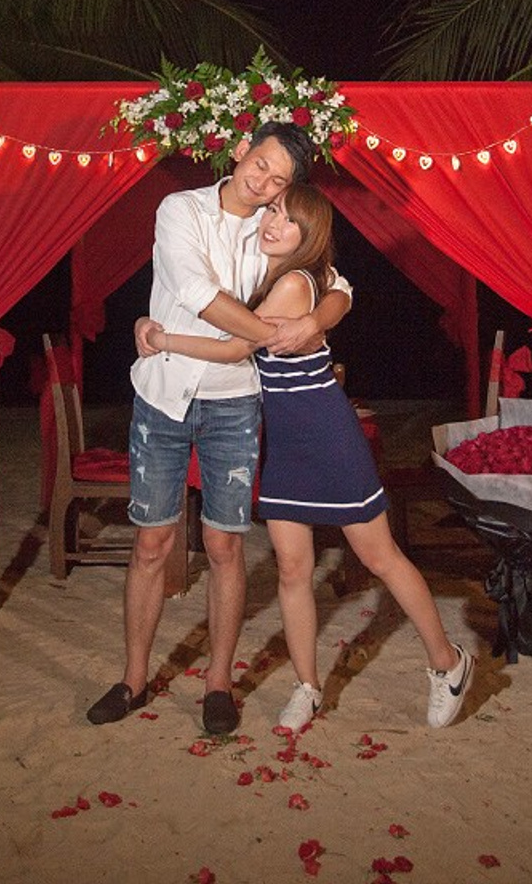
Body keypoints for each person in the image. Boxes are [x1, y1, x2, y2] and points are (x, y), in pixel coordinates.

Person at [137, 182, 475, 732]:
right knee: (293, 570)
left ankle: (447, 663)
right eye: (271, 209)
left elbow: (234, 348)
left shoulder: (292, 284)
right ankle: (307, 687)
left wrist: (161, 339)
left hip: (325, 433)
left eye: (287, 219)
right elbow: (339, 289)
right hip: (285, 443)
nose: (272, 221)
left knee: (380, 556)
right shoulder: (281, 272)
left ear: (308, 236)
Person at [86, 123, 352, 734]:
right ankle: (132, 678)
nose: (262, 183)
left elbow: (337, 284)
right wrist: (287, 334)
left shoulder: (273, 228)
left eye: (278, 180)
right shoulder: (180, 209)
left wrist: (318, 317)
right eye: (259, 164)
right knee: (153, 543)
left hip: (236, 402)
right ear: (239, 152)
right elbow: (198, 292)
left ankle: (218, 683)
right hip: (164, 396)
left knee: (227, 546)